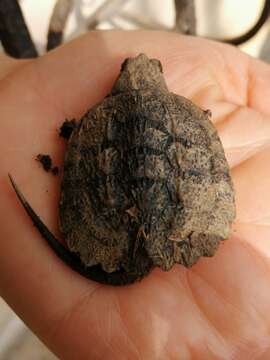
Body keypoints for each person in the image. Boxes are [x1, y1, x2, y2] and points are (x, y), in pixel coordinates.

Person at [1, 30, 270, 359]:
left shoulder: (96, 119)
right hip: (182, 219)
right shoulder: (187, 113)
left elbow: (82, 159)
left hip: (112, 221)